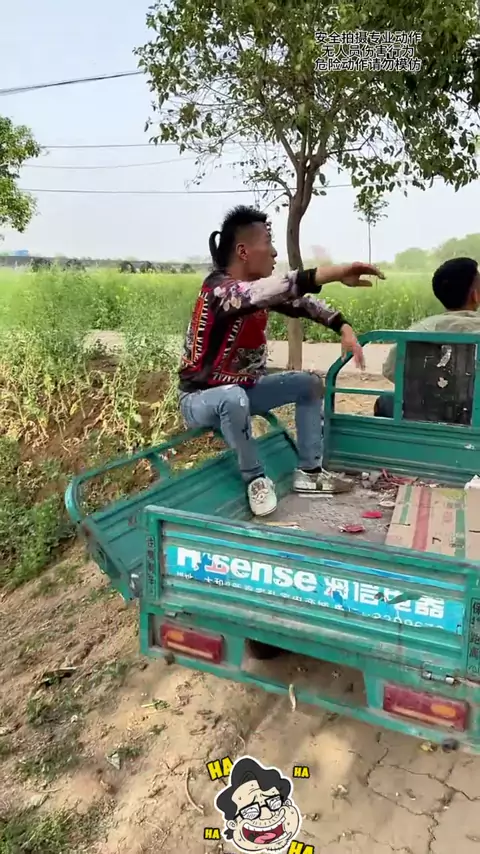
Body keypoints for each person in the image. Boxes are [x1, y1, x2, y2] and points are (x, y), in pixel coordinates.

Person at [179, 205, 384, 516]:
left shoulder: (255, 292)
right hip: (200, 400)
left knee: (308, 384)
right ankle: (255, 479)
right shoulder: (221, 292)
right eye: (268, 243)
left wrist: (342, 325)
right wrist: (336, 272)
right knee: (232, 397)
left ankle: (310, 472)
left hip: (244, 391)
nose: (275, 253)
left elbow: (301, 303)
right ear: (243, 251)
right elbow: (279, 287)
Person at [376, 257, 480, 418]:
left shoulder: (419, 330)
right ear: (475, 296)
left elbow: (391, 370)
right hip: (473, 417)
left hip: (425, 415)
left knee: (385, 401)